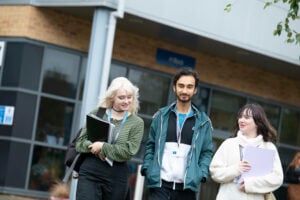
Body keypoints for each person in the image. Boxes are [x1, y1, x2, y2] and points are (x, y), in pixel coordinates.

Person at [141, 68, 213, 200]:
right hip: (159, 186)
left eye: (189, 87)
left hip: (186, 190)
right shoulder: (161, 116)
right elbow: (150, 145)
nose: (185, 91)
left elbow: (206, 152)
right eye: (181, 86)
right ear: (174, 87)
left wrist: (201, 174)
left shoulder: (203, 122)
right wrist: (148, 168)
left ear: (195, 90)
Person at [75, 77, 144, 200]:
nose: (126, 101)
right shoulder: (97, 113)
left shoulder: (137, 122)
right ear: (112, 97)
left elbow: (128, 152)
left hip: (116, 176)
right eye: (121, 97)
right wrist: (93, 147)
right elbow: (80, 143)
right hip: (91, 171)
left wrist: (102, 147)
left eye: (129, 97)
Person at [209, 103, 283, 200]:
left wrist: (250, 184)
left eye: (247, 117)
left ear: (258, 122)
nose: (241, 120)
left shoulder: (268, 147)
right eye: (240, 117)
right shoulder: (229, 144)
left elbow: (277, 178)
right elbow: (215, 172)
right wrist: (236, 169)